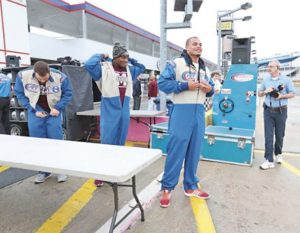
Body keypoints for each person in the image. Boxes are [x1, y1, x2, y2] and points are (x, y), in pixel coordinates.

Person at [158, 36, 214, 208]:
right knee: (176, 149)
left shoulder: (205, 69)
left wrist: (209, 89)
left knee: (194, 150)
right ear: (187, 47)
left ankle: (190, 186)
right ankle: (167, 188)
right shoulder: (176, 63)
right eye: (195, 44)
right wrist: (184, 86)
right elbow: (162, 83)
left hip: (199, 111)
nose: (199, 46)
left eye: (200, 44)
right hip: (181, 109)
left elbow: (211, 90)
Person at [85, 42, 145, 187]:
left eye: (127, 57)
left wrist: (131, 60)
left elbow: (141, 67)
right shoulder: (104, 69)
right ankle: (100, 175)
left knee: (120, 142)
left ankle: (115, 172)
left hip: (124, 108)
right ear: (115, 57)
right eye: (122, 57)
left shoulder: (130, 70)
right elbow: (88, 65)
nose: (125, 60)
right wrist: (101, 56)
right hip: (109, 108)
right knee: (107, 142)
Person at [14, 61, 73, 183]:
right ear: (34, 73)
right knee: (38, 142)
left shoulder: (60, 77)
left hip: (54, 109)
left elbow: (68, 94)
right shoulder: (22, 76)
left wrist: (58, 107)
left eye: (45, 79)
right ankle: (43, 172)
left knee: (56, 139)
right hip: (35, 110)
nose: (42, 81)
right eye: (40, 79)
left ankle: (60, 170)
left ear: (49, 72)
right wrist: (32, 109)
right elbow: (19, 94)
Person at [258, 60, 295, 170]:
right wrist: (266, 91)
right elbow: (259, 94)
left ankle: (278, 153)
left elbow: (292, 94)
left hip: (281, 111)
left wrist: (281, 96)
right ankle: (269, 160)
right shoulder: (265, 80)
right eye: (268, 66)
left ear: (277, 67)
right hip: (268, 111)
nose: (268, 68)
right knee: (268, 136)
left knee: (280, 135)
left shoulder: (287, 80)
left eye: (271, 66)